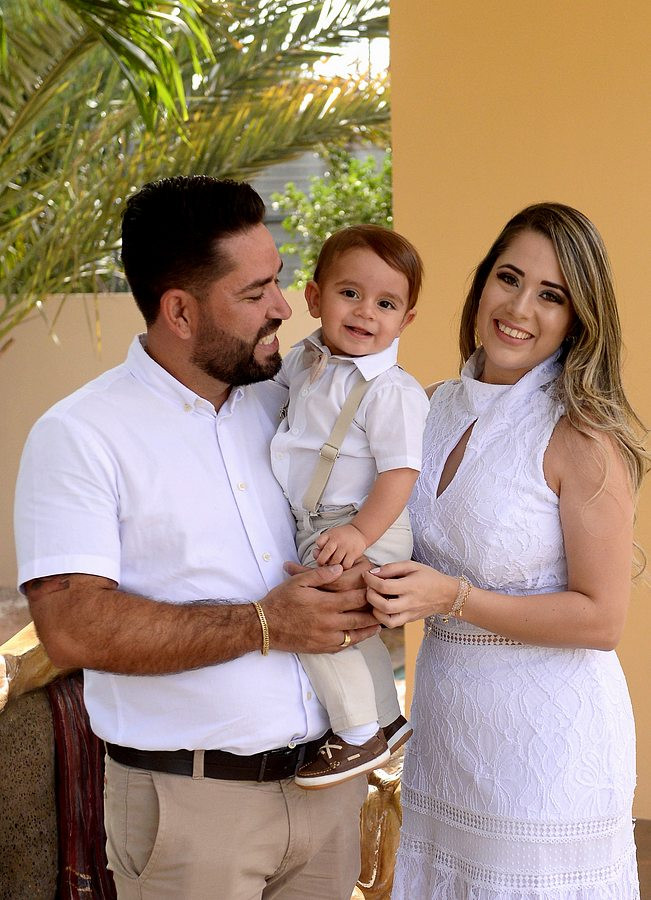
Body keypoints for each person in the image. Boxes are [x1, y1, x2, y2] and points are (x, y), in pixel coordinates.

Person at [14, 175, 383, 900]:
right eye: (254, 293)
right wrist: (263, 624)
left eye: (277, 279)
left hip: (327, 792)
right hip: (191, 814)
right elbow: (71, 626)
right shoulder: (81, 435)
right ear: (180, 311)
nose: (283, 308)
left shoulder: (290, 405)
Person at [365, 203, 647, 898]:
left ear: (578, 318)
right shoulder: (430, 407)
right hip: (446, 733)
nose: (519, 308)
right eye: (509, 278)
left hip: (549, 750)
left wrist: (452, 597)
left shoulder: (582, 436)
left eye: (551, 295)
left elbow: (601, 619)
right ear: (482, 282)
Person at [270, 225, 429, 788]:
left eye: (386, 303)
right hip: (323, 522)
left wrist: (361, 534)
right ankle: (387, 720)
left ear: (405, 320)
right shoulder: (303, 361)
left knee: (315, 621)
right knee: (353, 633)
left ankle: (357, 734)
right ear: (314, 298)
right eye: (350, 293)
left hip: (363, 523)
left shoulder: (391, 391)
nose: (365, 312)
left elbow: (400, 473)